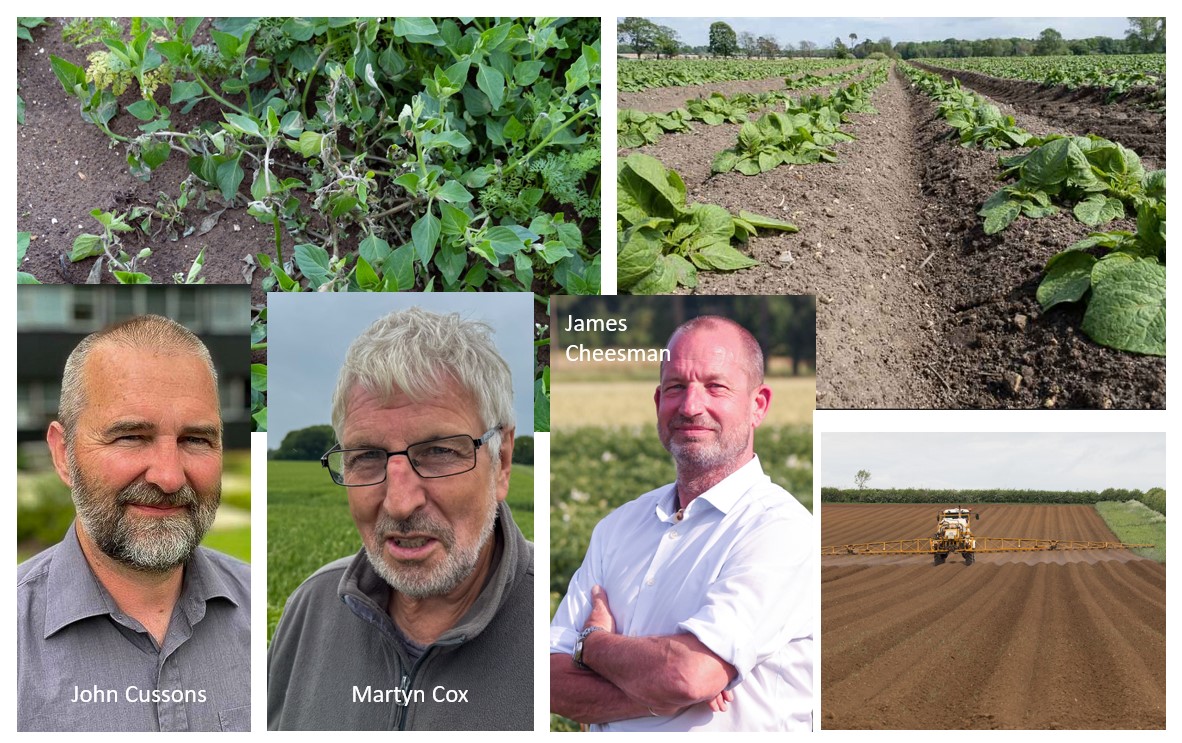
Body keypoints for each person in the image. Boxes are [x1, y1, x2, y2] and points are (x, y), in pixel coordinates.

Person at [268, 307, 533, 730]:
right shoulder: (312, 608)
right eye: (367, 457)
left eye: (439, 451)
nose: (399, 503)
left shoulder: (554, 620)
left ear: (501, 461)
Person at [550, 315, 814, 731]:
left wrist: (592, 644)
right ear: (658, 402)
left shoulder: (781, 531)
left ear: (757, 405)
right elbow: (551, 682)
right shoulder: (617, 528)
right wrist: (663, 690)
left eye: (716, 386)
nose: (691, 406)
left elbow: (689, 675)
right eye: (676, 387)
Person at [17, 315, 250, 732]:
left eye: (195, 440)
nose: (169, 477)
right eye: (131, 437)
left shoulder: (270, 619)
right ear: (62, 454)